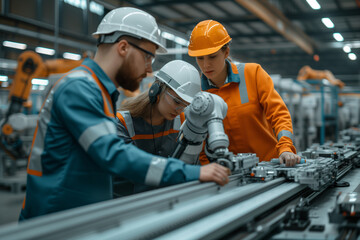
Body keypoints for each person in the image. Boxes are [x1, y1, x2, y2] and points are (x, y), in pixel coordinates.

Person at [19, 8, 230, 221]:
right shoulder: (79, 88)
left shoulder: (100, 91)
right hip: (54, 218)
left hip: (79, 217)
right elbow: (113, 154)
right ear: (123, 47)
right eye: (148, 57)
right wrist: (194, 173)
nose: (149, 70)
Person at [187, 20, 301, 167]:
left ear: (226, 52)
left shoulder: (253, 74)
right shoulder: (197, 94)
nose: (205, 65)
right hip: (229, 175)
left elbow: (279, 114)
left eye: (212, 56)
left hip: (269, 167)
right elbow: (198, 142)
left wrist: (285, 148)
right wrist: (207, 168)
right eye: (200, 58)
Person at [115, 60, 201, 195]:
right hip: (128, 204)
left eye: (185, 105)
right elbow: (134, 167)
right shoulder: (123, 123)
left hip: (165, 201)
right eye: (177, 101)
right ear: (157, 89)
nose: (179, 110)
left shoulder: (182, 121)